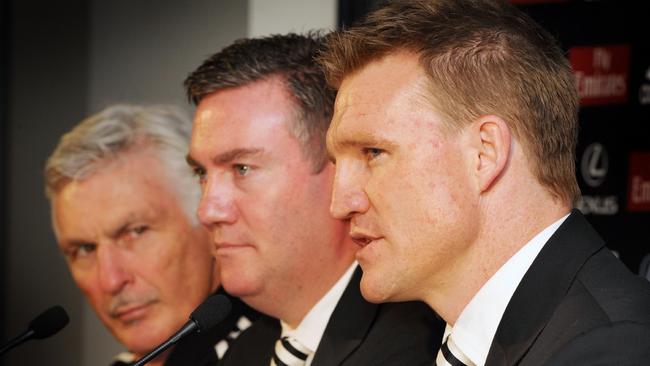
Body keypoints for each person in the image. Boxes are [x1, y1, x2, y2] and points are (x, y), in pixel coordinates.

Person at [319, 1, 650, 365]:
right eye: (336, 163)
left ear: (484, 154)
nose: (340, 204)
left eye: (373, 152)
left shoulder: (612, 350)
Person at [184, 33, 443, 366]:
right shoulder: (245, 352)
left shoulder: (418, 345)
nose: (207, 210)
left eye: (242, 168)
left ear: (337, 169)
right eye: (201, 174)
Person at [45, 104, 256, 366]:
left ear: (207, 223)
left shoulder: (279, 352)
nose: (110, 280)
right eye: (85, 249)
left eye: (135, 232)